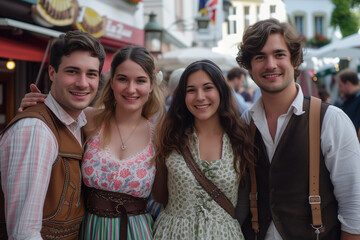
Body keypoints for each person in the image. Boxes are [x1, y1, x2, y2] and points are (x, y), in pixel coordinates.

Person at [19, 46, 166, 239]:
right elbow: (53, 114)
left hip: (138, 232)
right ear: (111, 82)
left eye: (140, 80)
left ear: (152, 85)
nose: (131, 89)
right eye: (122, 79)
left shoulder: (159, 135)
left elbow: (165, 195)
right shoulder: (88, 119)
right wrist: (34, 108)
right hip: (89, 230)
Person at [236, 18, 360, 240]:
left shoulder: (331, 120)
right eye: (260, 57)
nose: (270, 64)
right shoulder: (245, 122)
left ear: (294, 60)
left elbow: (354, 203)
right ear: (249, 66)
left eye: (279, 54)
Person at [0, 30, 106, 239]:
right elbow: (24, 232)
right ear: (51, 73)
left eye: (91, 74)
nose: (83, 83)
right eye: (72, 71)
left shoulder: (78, 122)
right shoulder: (35, 130)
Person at [151, 59, 255, 239]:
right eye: (191, 90)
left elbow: (244, 201)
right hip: (172, 234)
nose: (200, 96)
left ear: (221, 91)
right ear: (183, 96)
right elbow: (160, 195)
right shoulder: (170, 136)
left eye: (208, 88)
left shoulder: (240, 138)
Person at [336, 68, 360, 137]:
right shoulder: (349, 99)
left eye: (340, 86)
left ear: (348, 84)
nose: (340, 89)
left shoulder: (356, 101)